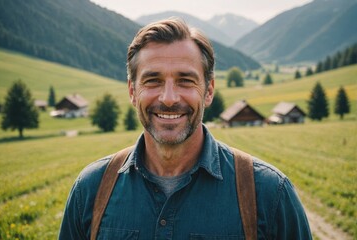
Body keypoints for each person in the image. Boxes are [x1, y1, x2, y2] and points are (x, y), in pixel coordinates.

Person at [59, 18, 312, 239]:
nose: (169, 98)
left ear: (209, 90)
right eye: (153, 80)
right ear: (132, 91)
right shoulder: (90, 189)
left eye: (185, 80)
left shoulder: (270, 193)